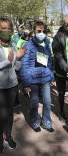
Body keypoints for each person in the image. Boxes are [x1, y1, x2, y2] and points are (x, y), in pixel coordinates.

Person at [20, 20, 56, 133]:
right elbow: (24, 66)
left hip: (45, 78)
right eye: (38, 31)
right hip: (33, 79)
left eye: (43, 31)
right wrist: (25, 84)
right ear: (34, 31)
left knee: (47, 101)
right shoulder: (28, 45)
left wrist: (52, 77)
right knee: (34, 102)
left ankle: (47, 122)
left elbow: (49, 63)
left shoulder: (47, 45)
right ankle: (35, 121)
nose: (41, 33)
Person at [0, 17, 27, 153]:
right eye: (3, 28)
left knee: (9, 114)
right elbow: (5, 63)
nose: (6, 31)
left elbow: (15, 67)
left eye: (8, 28)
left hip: (12, 85)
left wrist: (19, 58)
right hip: (0, 86)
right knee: (2, 115)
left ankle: (8, 136)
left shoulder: (11, 45)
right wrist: (8, 60)